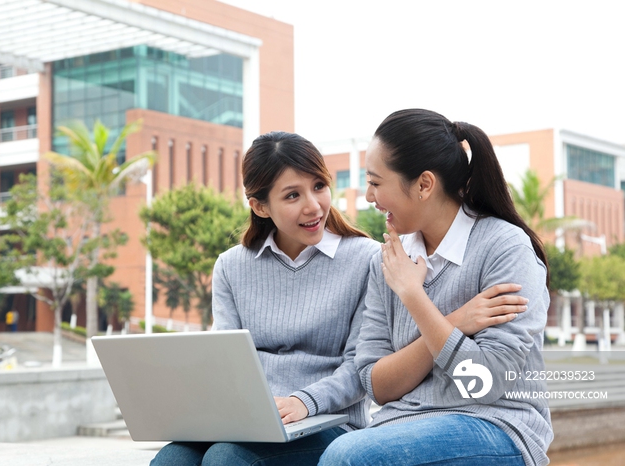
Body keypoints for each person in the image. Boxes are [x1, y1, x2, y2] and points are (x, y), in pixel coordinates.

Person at [150, 131, 527, 466]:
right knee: (171, 460)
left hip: (324, 420)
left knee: (227, 458)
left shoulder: (368, 258)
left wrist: (304, 401)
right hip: (251, 419)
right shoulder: (231, 266)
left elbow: (359, 373)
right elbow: (223, 362)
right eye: (293, 195)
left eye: (319, 186)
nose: (314, 205)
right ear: (260, 206)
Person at [319, 109, 553, 466]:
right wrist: (457, 320)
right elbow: (377, 384)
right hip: (399, 422)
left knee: (347, 457)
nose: (368, 195)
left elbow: (484, 383)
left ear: (424, 184)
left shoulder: (506, 248)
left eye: (377, 182)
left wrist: (414, 296)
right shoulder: (388, 260)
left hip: (495, 424)